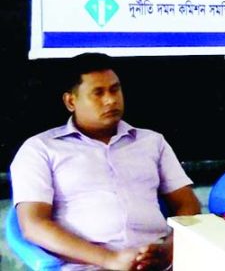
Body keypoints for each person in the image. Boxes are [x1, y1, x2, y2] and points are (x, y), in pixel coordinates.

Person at [9, 53, 201, 271]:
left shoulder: (152, 142)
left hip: (160, 260)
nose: (110, 100)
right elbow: (34, 225)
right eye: (98, 93)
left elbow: (188, 204)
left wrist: (170, 249)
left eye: (115, 89)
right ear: (71, 101)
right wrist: (109, 259)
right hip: (90, 265)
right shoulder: (40, 149)